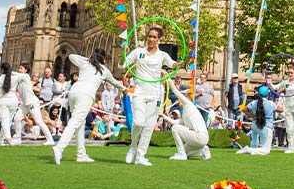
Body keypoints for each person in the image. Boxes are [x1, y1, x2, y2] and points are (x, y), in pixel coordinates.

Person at [53, 49, 125, 164]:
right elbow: (116, 83)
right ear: (104, 59)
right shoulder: (103, 70)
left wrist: (88, 59)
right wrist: (125, 90)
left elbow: (72, 56)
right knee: (75, 122)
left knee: (79, 124)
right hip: (85, 95)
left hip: (74, 92)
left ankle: (81, 154)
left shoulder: (85, 63)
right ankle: (59, 148)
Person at [124, 25, 180, 167]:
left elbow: (173, 64)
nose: (151, 39)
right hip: (140, 92)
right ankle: (133, 147)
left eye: (154, 37)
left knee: (149, 126)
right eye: (149, 36)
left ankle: (141, 156)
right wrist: (124, 54)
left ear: (159, 39)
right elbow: (124, 64)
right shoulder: (138, 52)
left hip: (155, 93)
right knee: (138, 122)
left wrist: (179, 64)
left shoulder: (162, 55)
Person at [159, 79, 211, 160]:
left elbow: (176, 92)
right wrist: (163, 116)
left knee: (174, 128)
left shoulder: (188, 104)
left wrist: (168, 79)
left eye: (180, 98)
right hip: (203, 139)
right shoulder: (186, 112)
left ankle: (181, 154)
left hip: (199, 136)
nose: (178, 100)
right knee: (186, 152)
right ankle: (202, 150)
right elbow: (175, 122)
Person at [14, 64, 54, 145]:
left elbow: (15, 75)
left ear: (26, 70)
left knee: (39, 121)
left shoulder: (25, 76)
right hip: (25, 104)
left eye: (21, 68)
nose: (19, 69)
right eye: (19, 68)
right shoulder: (19, 79)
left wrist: (7, 72)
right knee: (17, 118)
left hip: (32, 103)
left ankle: (50, 140)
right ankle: (18, 139)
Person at [237, 85, 277, 155]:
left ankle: (252, 150)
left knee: (255, 144)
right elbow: (281, 110)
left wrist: (253, 115)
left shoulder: (254, 102)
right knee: (266, 151)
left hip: (255, 124)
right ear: (267, 95)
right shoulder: (270, 103)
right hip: (266, 126)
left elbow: (243, 109)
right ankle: (248, 150)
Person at [0, 62, 18, 146]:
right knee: (8, 120)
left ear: (2, 69)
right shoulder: (15, 78)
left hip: (3, 100)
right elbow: (24, 76)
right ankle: (0, 141)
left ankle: (7, 136)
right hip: (13, 100)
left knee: (4, 120)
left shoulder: (0, 79)